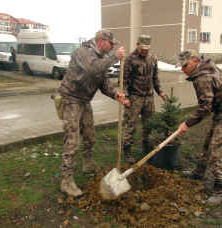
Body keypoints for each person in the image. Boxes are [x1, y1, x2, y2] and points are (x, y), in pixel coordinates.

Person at [58, 30, 129, 197]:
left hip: (84, 101)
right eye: (111, 44)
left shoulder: (102, 59)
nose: (112, 48)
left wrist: (115, 95)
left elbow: (103, 83)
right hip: (70, 99)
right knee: (72, 141)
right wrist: (114, 58)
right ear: (103, 41)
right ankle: (66, 181)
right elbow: (91, 69)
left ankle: (87, 164)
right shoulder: (82, 51)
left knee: (90, 136)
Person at [176, 50, 222, 206]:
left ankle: (219, 190)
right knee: (208, 142)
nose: (183, 69)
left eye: (185, 65)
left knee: (216, 149)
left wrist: (187, 123)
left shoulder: (202, 78)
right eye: (181, 66)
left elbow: (205, 107)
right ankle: (198, 173)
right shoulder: (207, 66)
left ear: (194, 61)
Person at [123, 35, 166, 163]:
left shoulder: (153, 58)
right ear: (137, 45)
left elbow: (155, 78)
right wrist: (125, 97)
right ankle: (127, 150)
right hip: (134, 97)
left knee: (149, 124)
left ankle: (146, 148)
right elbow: (123, 80)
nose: (144, 51)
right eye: (142, 48)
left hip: (149, 98)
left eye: (147, 49)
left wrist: (160, 92)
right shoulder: (130, 59)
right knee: (131, 125)